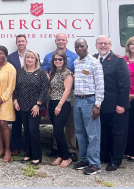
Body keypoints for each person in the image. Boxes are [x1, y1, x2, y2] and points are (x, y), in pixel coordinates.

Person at [94, 35, 130, 172]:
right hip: (100, 105)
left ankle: (116, 160)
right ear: (96, 45)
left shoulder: (118, 61)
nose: (103, 46)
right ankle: (105, 157)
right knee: (103, 132)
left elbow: (125, 85)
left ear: (110, 45)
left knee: (117, 134)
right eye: (100, 43)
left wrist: (121, 104)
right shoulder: (92, 59)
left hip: (116, 105)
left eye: (106, 43)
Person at [42, 33, 79, 162]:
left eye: (63, 39)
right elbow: (45, 70)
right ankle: (57, 149)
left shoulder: (74, 56)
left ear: (67, 41)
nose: (61, 41)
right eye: (59, 40)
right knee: (56, 125)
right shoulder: (48, 56)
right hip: (52, 97)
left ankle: (71, 150)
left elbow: (77, 72)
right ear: (55, 41)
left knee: (70, 124)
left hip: (67, 98)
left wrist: (72, 76)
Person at [72, 38, 104, 175]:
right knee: (80, 132)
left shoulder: (94, 63)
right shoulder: (76, 62)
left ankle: (95, 164)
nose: (80, 49)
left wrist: (97, 104)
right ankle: (84, 159)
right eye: (77, 47)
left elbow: (100, 85)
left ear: (87, 46)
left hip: (90, 101)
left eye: (82, 46)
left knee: (93, 134)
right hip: (78, 100)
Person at [13, 50, 49, 165]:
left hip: (35, 107)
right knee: (26, 130)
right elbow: (16, 88)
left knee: (33, 130)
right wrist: (15, 101)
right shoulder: (21, 72)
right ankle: (28, 154)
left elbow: (44, 89)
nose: (29, 59)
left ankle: (37, 156)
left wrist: (38, 104)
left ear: (36, 60)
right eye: (27, 57)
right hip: (23, 106)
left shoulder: (41, 72)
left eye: (32, 57)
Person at [48, 51, 74, 168]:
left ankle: (66, 157)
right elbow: (50, 89)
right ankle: (59, 155)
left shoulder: (67, 73)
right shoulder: (53, 72)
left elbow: (67, 90)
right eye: (55, 60)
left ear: (64, 61)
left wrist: (59, 105)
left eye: (60, 59)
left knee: (59, 131)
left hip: (62, 104)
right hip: (52, 102)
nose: (57, 61)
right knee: (55, 130)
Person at [6, 34, 27, 156]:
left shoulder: (33, 55)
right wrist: (14, 98)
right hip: (17, 93)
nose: (21, 43)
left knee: (30, 124)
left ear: (26, 42)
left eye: (23, 41)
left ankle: (29, 147)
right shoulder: (11, 57)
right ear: (16, 43)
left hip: (30, 94)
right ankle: (15, 147)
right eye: (19, 41)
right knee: (17, 122)